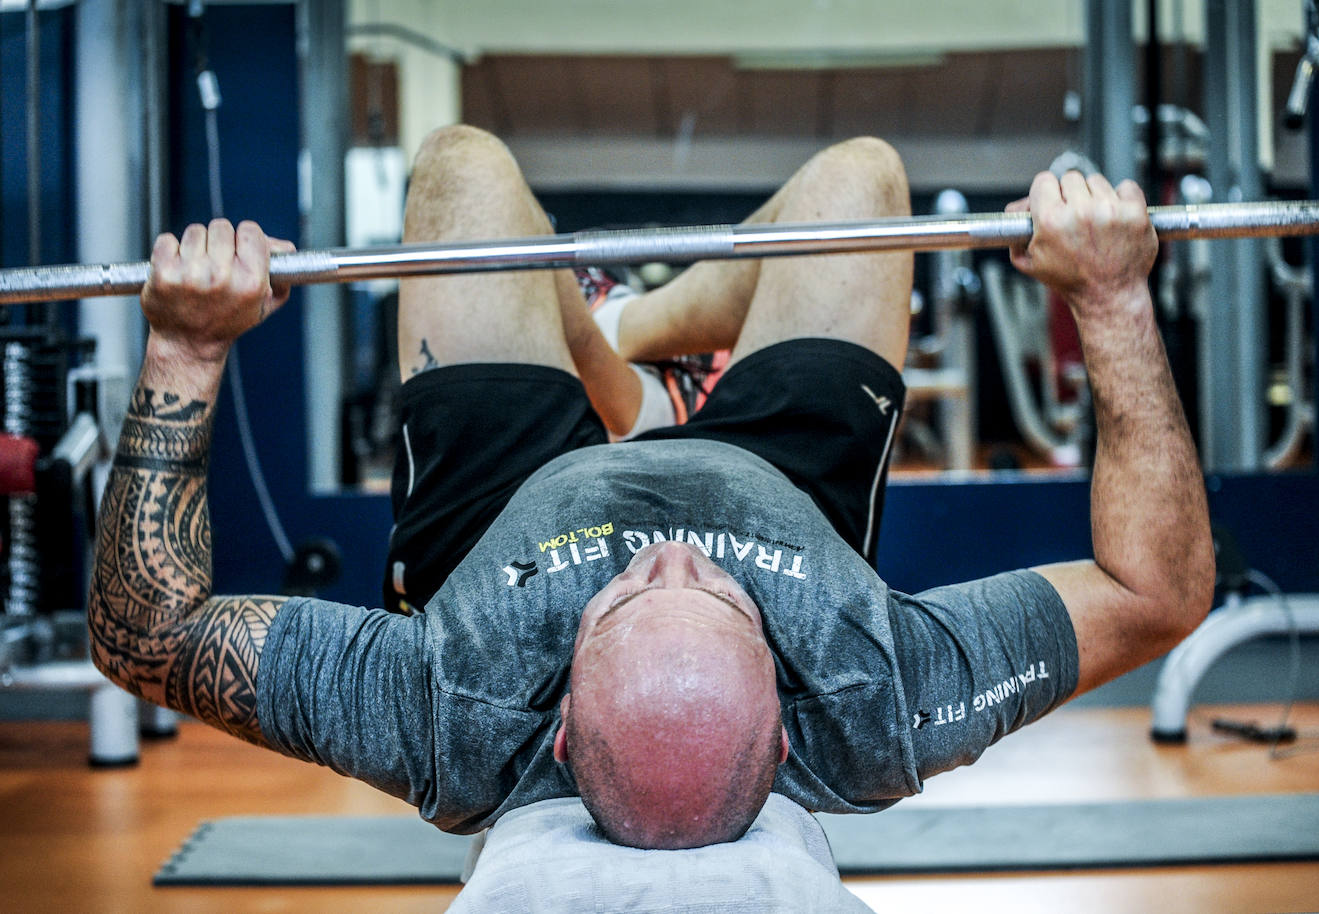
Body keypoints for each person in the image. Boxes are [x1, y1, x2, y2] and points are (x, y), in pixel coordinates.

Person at [87, 125, 1213, 865]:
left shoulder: (447, 707)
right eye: (726, 599)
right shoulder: (876, 695)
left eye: (623, 596)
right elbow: (1156, 591)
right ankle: (627, 345)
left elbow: (146, 633)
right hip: (783, 485)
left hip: (503, 513)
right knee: (860, 180)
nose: (669, 552)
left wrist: (185, 346)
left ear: (562, 724)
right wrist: (1111, 296)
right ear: (787, 726)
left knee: (466, 169)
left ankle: (610, 357)